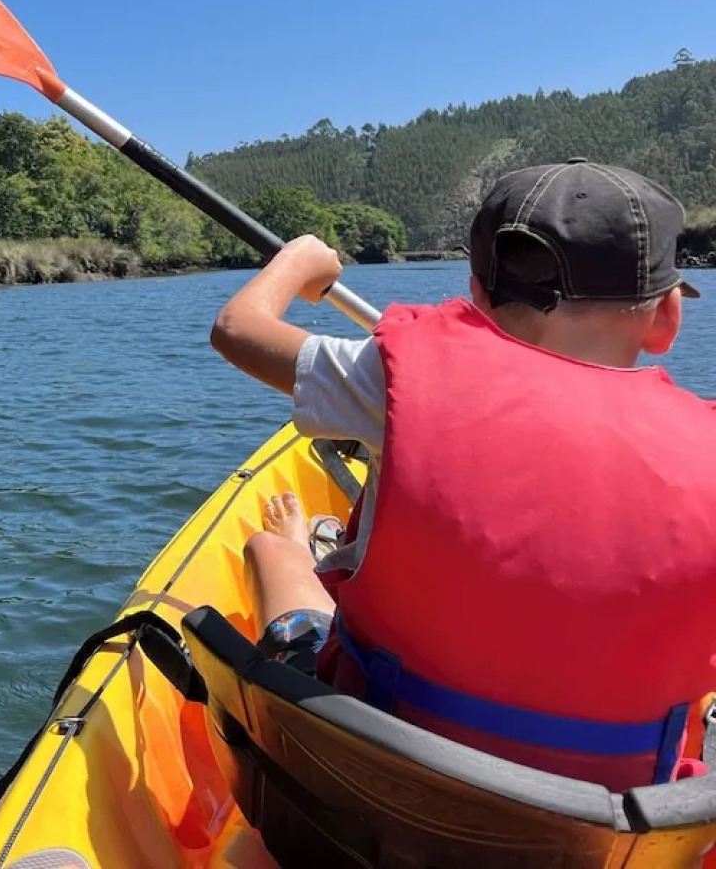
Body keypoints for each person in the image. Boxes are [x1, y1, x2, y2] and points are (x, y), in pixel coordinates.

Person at [209, 158, 716, 791]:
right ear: (667, 318)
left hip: (378, 779)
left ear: (477, 297)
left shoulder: (388, 379)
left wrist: (299, 261)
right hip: (603, 822)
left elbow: (238, 330)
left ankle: (301, 551)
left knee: (269, 551)